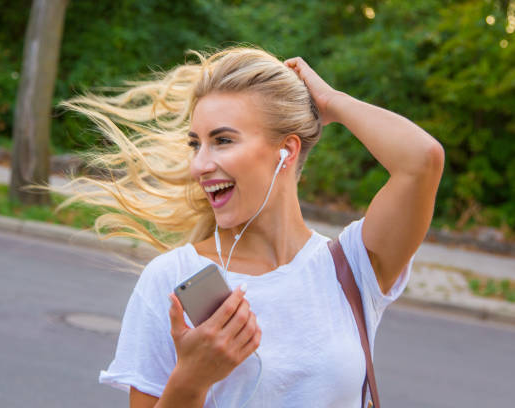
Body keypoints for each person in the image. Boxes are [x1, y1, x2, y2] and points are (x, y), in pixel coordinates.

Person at [59, 46, 444, 407]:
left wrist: (332, 103)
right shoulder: (171, 278)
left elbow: (422, 160)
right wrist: (191, 380)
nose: (200, 165)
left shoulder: (351, 267)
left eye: (222, 140)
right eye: (196, 144)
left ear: (287, 151)